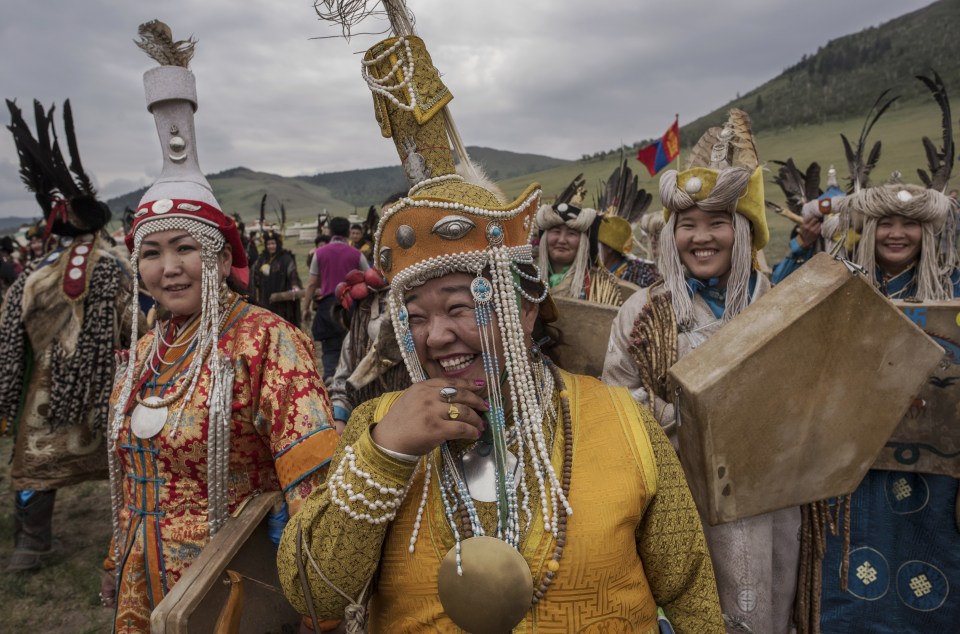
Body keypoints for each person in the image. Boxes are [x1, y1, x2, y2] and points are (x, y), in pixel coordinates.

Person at [278, 27, 723, 633]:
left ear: (528, 308)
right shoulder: (376, 425)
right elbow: (314, 594)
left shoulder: (621, 421)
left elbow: (691, 589)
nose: (435, 337)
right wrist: (387, 453)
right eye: (415, 319)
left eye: (462, 307)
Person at [100, 21, 339, 632]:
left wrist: (319, 601)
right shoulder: (150, 349)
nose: (169, 267)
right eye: (152, 253)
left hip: (230, 585)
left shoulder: (266, 341)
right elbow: (131, 475)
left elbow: (314, 478)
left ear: (216, 256)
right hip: (143, 578)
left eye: (185, 248)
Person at [603, 109, 801, 633]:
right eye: (687, 225)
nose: (701, 237)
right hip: (672, 492)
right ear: (672, 236)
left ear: (743, 232)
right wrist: (673, 413)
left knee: (756, 605)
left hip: (761, 497)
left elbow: (804, 402)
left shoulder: (778, 309)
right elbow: (616, 405)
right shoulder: (643, 311)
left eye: (717, 223)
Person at [814, 180, 960, 632]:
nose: (897, 234)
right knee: (849, 567)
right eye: (887, 223)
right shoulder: (837, 284)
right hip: (851, 462)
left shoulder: (952, 290)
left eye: (910, 224)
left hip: (932, 470)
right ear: (869, 226)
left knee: (930, 559)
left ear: (927, 230)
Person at [0, 98, 137, 571]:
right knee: (128, 456)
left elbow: (8, 343)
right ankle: (135, 532)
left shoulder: (30, 278)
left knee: (36, 463)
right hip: (105, 391)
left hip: (43, 392)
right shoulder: (117, 269)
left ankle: (31, 543)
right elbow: (132, 329)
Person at [302, 215, 368, 378]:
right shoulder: (357, 254)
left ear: (330, 232)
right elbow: (368, 279)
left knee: (330, 352)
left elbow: (311, 284)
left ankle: (331, 388)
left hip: (327, 309)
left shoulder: (319, 253)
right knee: (353, 349)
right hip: (351, 309)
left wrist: (305, 308)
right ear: (347, 232)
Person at [253, 229, 303, 325]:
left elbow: (292, 273)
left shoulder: (286, 258)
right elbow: (255, 278)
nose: (271, 246)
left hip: (282, 302)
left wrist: (295, 285)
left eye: (273, 243)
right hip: (266, 299)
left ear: (278, 244)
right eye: (268, 244)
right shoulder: (262, 259)